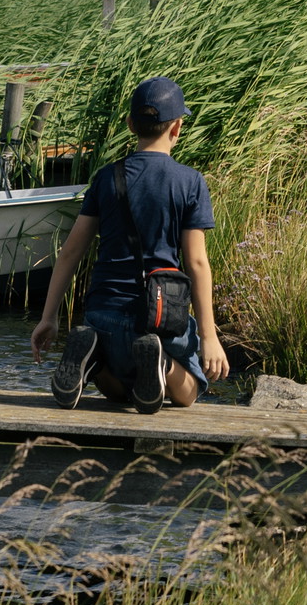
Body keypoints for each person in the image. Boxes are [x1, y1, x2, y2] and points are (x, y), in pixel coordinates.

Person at [29, 75, 228, 412]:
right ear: (177, 127)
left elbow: (71, 252)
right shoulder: (190, 182)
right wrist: (209, 336)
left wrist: (49, 318)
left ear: (130, 124)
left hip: (102, 314)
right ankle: (161, 364)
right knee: (189, 392)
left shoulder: (106, 177)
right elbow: (196, 262)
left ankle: (93, 358)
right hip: (157, 317)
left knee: (120, 393)